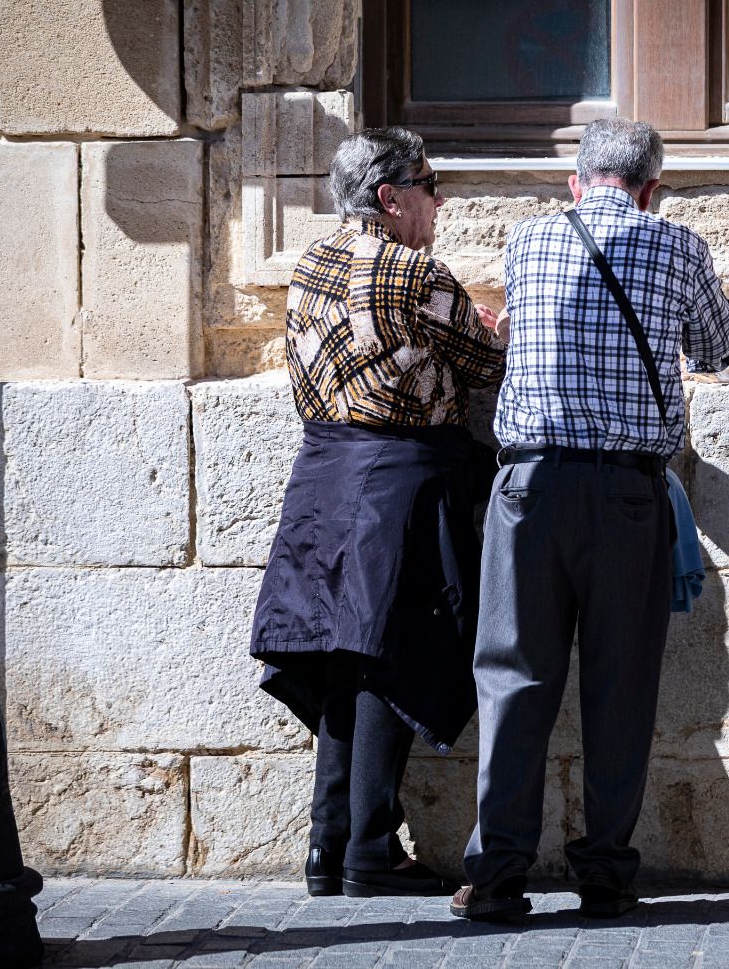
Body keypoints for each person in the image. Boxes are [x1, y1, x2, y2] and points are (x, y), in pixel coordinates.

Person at [453, 117, 729, 921]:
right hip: (625, 496)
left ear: (575, 184)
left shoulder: (527, 240)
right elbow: (716, 349)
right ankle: (607, 873)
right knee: (620, 685)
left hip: (530, 489)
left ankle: (497, 874)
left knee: (513, 678)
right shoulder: (678, 245)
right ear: (653, 190)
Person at [249, 127, 507, 899]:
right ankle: (368, 850)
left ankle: (329, 844)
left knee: (341, 656)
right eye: (429, 186)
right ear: (391, 199)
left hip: (323, 477)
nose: (440, 201)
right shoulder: (412, 271)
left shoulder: (309, 264)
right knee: (390, 658)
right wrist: (492, 331)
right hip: (400, 482)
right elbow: (488, 364)